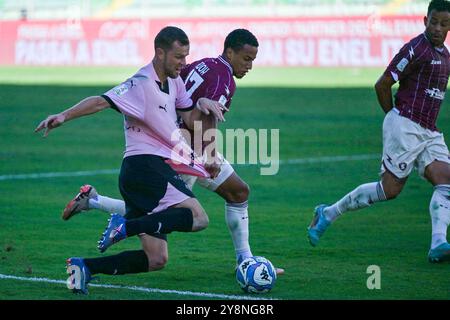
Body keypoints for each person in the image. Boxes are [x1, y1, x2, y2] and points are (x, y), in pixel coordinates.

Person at [61, 29, 284, 275]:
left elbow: (182, 98)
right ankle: (102, 208)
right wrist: (208, 155)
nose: (250, 65)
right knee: (170, 213)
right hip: (183, 151)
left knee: (237, 192)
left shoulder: (204, 64)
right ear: (230, 52)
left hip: (182, 146)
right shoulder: (225, 79)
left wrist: (199, 106)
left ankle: (245, 260)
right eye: (246, 58)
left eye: (253, 60)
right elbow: (207, 118)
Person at [35, 26, 225, 294]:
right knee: (198, 218)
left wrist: (206, 106)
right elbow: (102, 101)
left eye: (186, 56)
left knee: (156, 258)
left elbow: (192, 119)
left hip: (144, 173)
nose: (183, 63)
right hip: (146, 167)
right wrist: (65, 115)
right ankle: (124, 225)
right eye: (178, 57)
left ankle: (84, 267)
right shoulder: (141, 83)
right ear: (160, 53)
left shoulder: (175, 81)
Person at [308, 0, 450, 263]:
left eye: (444, 23)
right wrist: (394, 117)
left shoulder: (445, 55)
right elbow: (383, 84)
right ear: (424, 21)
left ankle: (438, 243)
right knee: (389, 190)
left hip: (429, 131)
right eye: (434, 22)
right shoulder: (416, 49)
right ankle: (328, 213)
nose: (438, 28)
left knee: (447, 181)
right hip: (406, 124)